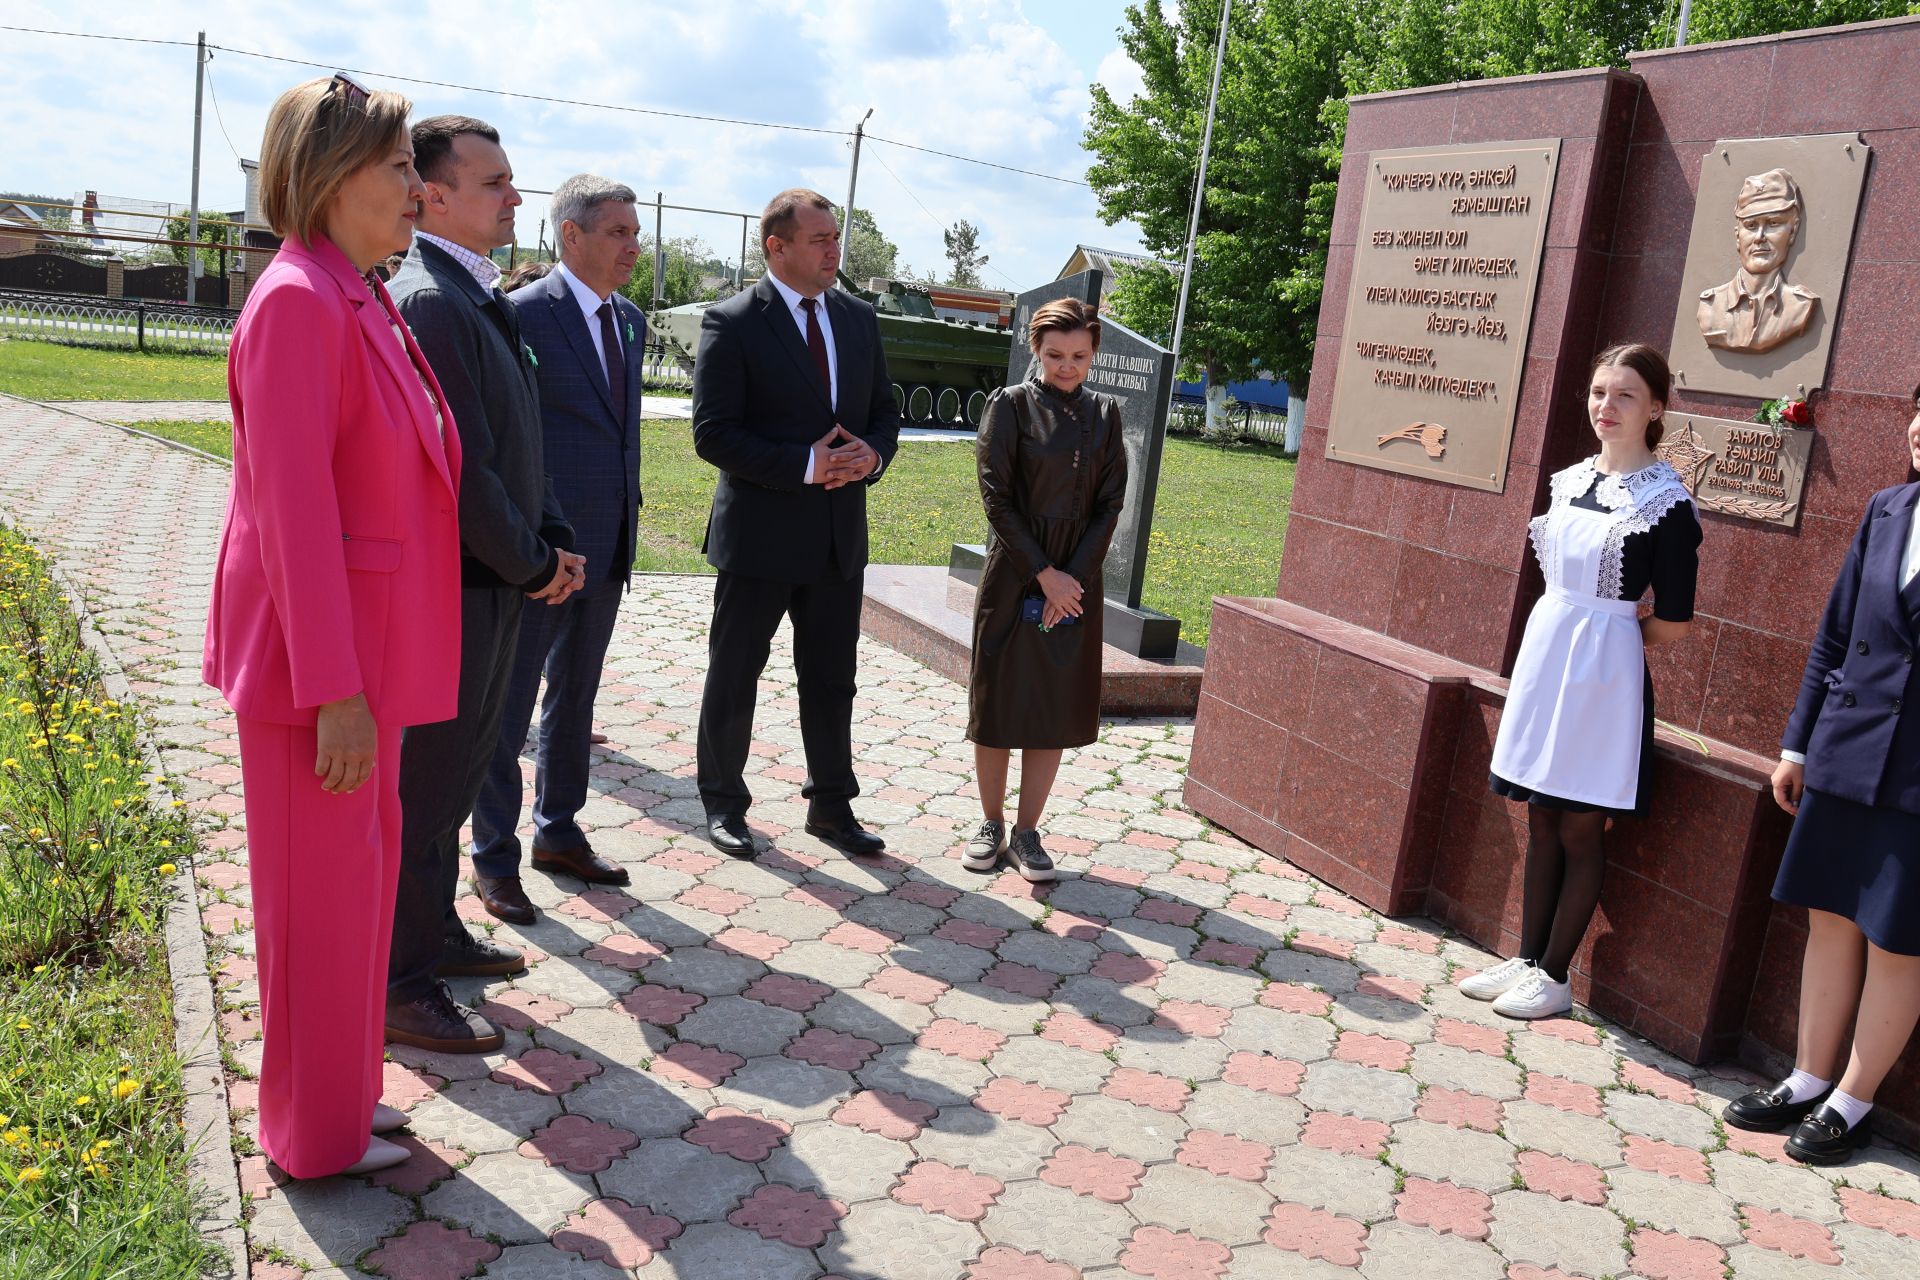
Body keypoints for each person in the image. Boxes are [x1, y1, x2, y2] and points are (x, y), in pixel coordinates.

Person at [203, 74, 458, 1178]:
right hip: (327, 676)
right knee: (318, 905)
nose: (416, 187)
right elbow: (295, 521)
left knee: (358, 889)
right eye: (397, 167)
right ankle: (312, 1137)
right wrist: (336, 690)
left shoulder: (354, 288)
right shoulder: (300, 300)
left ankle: (346, 1095)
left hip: (368, 661)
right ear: (327, 173)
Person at [384, 115, 584, 1053]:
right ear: (432, 196)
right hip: (461, 589)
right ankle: (399, 983)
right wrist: (533, 560)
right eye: (495, 181)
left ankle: (436, 935)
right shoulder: (430, 299)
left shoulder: (475, 293)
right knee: (428, 787)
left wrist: (549, 537)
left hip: (497, 582)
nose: (514, 195)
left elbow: (517, 444)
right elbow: (459, 469)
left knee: (461, 774)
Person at [1462, 343, 1702, 1020]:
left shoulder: (1669, 504)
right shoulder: (1567, 481)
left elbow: (1676, 622)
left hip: (1604, 679)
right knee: (1539, 816)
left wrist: (1612, 642)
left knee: (1578, 829)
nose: (1607, 407)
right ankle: (1526, 955)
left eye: (1625, 395)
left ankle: (1556, 977)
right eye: (1599, 393)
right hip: (1548, 666)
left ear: (1656, 408)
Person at [1722, 385, 1920, 1165]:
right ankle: (1807, 1077)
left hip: (1916, 777)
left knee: (1899, 942)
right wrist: (1798, 745)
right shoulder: (1886, 509)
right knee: (1832, 918)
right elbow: (1834, 634)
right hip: (1848, 751)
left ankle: (1853, 1100)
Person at [692, 188, 901, 859]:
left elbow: (883, 413)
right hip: (760, 536)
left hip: (839, 538)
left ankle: (832, 807)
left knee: (833, 677)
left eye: (835, 238)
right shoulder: (733, 322)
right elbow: (713, 434)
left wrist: (873, 454)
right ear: (776, 247)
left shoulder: (859, 319)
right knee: (735, 674)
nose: (833, 251)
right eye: (819, 240)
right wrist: (804, 465)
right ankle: (724, 803)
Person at [469, 176, 646, 922]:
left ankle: (559, 831)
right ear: (571, 236)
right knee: (506, 709)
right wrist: (533, 542)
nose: (634, 247)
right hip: (540, 553)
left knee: (575, 696)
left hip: (607, 545)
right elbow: (511, 440)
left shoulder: (630, 321)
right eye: (617, 233)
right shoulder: (521, 315)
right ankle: (493, 859)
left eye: (636, 233)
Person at [963, 297, 1126, 882]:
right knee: (1000, 702)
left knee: (1052, 705)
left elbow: (1110, 505)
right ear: (1035, 349)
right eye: (1055, 354)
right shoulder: (1009, 407)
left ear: (1093, 354)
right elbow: (997, 498)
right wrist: (1043, 574)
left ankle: (1028, 832)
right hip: (1014, 573)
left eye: (1079, 356)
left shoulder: (1106, 415)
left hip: (1075, 582)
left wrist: (1071, 580)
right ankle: (990, 823)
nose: (1066, 366)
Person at [1696, 168, 1818, 355]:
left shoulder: (1800, 307)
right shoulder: (1710, 307)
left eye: (1773, 223)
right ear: (1738, 236)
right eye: (1751, 226)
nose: (1759, 237)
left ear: (1792, 232)